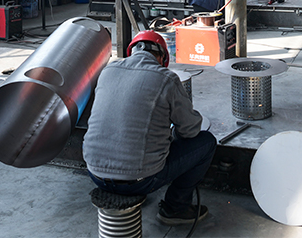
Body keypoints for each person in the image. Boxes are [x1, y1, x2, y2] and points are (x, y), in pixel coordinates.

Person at [83, 31, 216, 226]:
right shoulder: (166, 78)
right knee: (206, 142)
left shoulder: (108, 71)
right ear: (162, 57)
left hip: (95, 174)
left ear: (132, 52)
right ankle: (175, 208)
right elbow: (190, 130)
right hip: (141, 180)